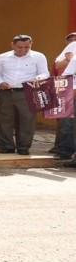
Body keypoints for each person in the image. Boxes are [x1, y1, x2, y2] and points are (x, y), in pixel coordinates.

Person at [0, 35, 49, 155]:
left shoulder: (38, 57)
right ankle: (6, 146)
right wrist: (0, 82)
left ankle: (23, 147)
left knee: (27, 120)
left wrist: (38, 78)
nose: (23, 50)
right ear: (12, 45)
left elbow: (45, 73)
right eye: (19, 47)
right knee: (4, 119)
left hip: (27, 92)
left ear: (31, 45)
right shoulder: (3, 57)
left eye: (26, 47)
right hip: (6, 92)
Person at [55, 32, 76, 165]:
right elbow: (67, 73)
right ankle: (65, 152)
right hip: (73, 93)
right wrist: (72, 90)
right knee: (68, 123)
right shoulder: (74, 49)